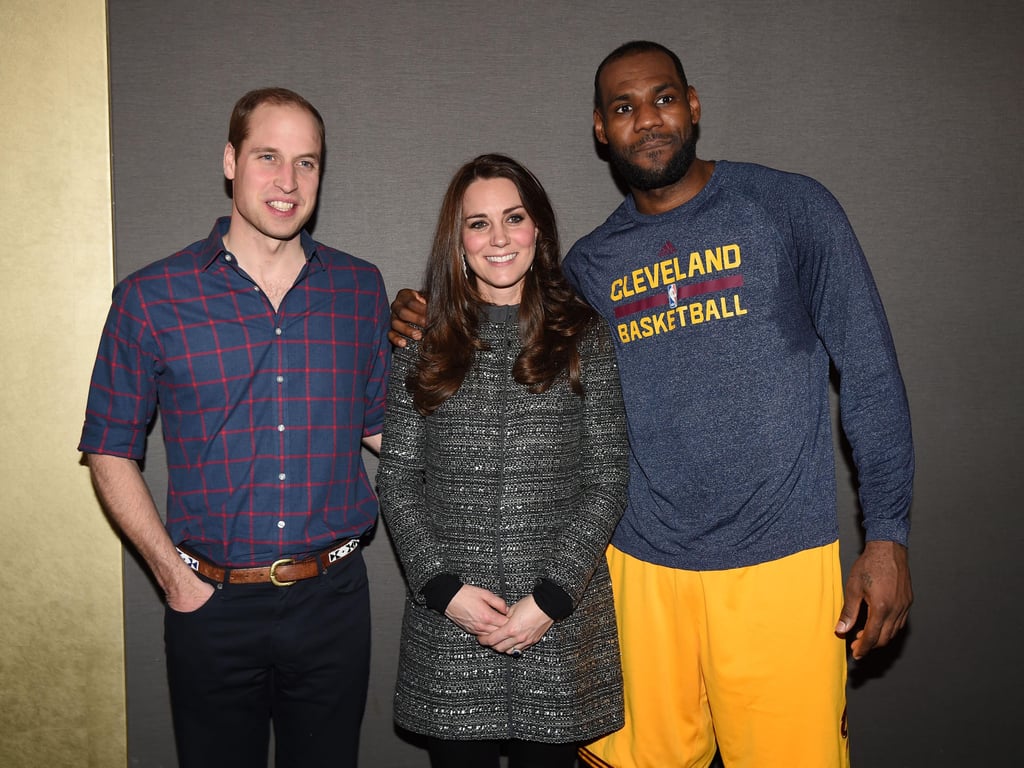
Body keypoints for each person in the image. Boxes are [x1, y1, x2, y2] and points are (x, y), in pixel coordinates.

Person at [389, 42, 914, 768]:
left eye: (663, 98)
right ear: (602, 129)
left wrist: (887, 534)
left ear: (693, 104)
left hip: (781, 565)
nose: (648, 120)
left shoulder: (790, 208)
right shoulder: (588, 270)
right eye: (624, 108)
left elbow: (871, 372)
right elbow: (496, 352)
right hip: (640, 574)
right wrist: (425, 315)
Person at [79, 88, 390, 768]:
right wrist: (174, 579)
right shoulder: (150, 298)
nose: (288, 182)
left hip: (334, 602)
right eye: (268, 157)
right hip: (210, 606)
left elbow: (385, 432)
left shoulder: (359, 288)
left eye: (307, 163)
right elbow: (108, 447)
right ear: (230, 160)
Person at [376, 154, 629, 768]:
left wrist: (553, 598)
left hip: (559, 629)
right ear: (457, 241)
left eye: (513, 218)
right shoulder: (422, 343)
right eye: (477, 223)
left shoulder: (584, 336)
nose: (497, 238)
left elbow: (608, 475)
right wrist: (443, 589)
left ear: (537, 230)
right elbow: (399, 479)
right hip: (451, 628)